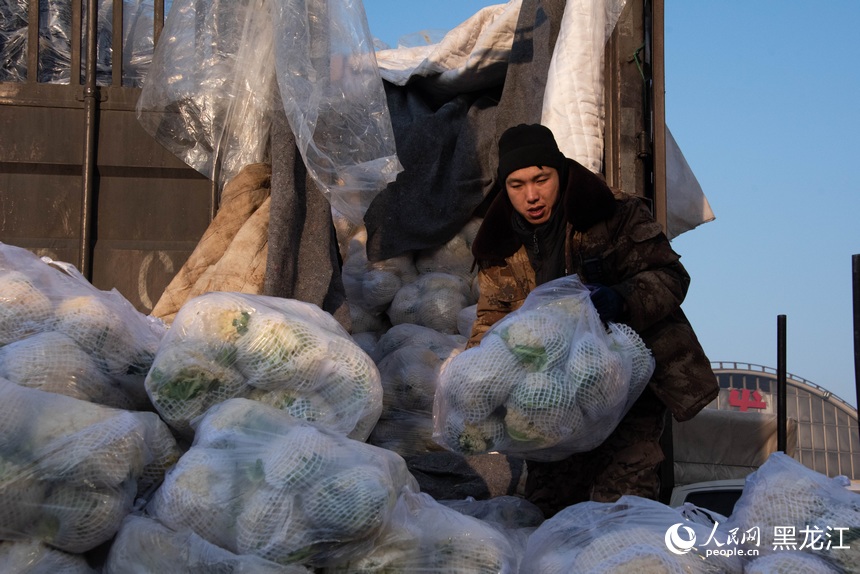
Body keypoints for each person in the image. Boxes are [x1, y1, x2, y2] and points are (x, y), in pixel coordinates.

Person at [467, 123, 718, 517]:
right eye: (517, 185)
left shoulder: (613, 213)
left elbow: (670, 277)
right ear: (504, 187)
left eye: (540, 179)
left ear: (560, 172)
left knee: (618, 508)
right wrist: (474, 375)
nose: (531, 195)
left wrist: (621, 299)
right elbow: (492, 320)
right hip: (550, 402)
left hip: (629, 388)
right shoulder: (498, 243)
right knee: (548, 513)